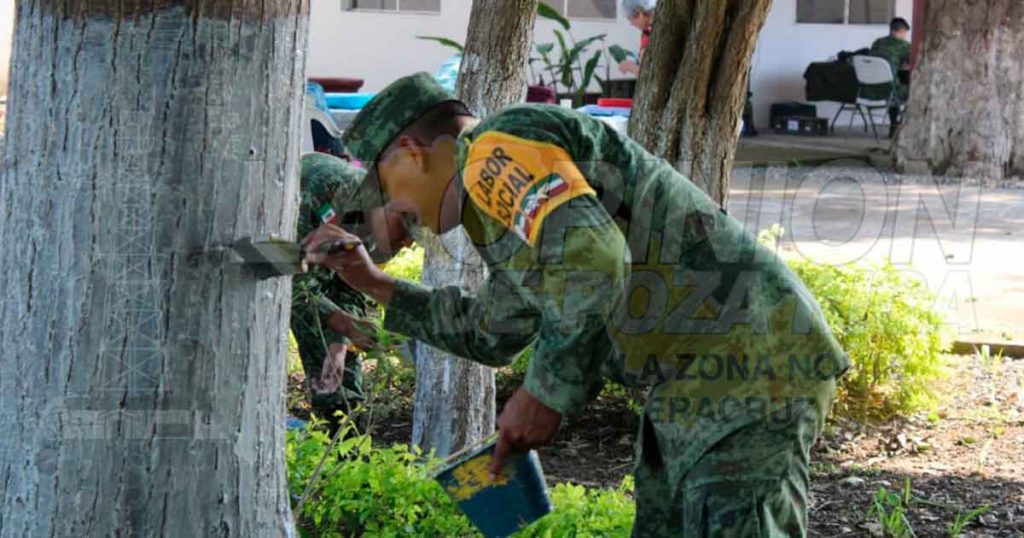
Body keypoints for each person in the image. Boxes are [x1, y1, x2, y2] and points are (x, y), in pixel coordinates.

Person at [303, 73, 847, 536]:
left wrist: (544, 393)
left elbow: (593, 258)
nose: (394, 213)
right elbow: (492, 332)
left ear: (411, 153)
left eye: (382, 191)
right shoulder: (496, 212)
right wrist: (374, 283)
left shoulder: (492, 150)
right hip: (700, 379)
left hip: (750, 364)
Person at [290, 153, 379, 429]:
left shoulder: (380, 228)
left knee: (338, 354)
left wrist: (341, 339)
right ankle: (332, 428)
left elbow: (349, 287)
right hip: (269, 246)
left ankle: (348, 434)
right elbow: (293, 289)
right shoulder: (325, 195)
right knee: (314, 326)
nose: (408, 244)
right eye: (406, 234)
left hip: (317, 249)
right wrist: (345, 324)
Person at [870, 17, 911, 137]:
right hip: (891, 90)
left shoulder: (877, 43)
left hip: (870, 90)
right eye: (904, 33)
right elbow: (913, 62)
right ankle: (896, 123)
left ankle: (894, 122)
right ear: (900, 31)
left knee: (894, 88)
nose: (904, 36)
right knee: (914, 89)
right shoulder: (904, 46)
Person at [618, 0, 656, 75]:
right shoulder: (646, 32)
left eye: (630, 19)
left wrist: (630, 67)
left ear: (639, 13)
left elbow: (651, 75)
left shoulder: (652, 33)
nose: (631, 24)